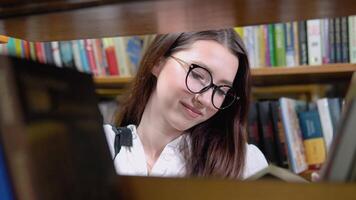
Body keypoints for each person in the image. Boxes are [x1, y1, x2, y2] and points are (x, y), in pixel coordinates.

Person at [103, 29, 268, 179]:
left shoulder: (246, 164)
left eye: (220, 91)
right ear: (157, 62)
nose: (204, 99)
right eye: (197, 75)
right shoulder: (101, 145)